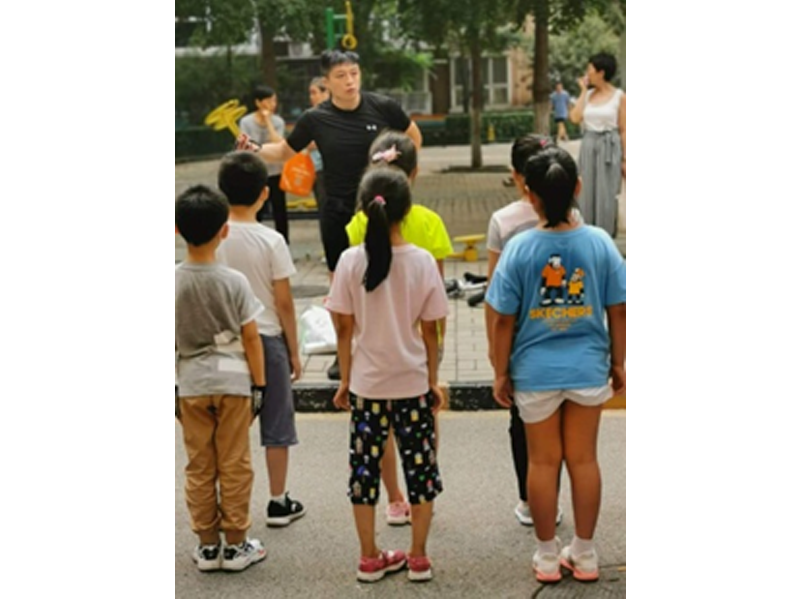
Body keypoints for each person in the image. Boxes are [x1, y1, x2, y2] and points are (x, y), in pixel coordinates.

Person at [236, 49, 422, 381]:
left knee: (386, 275)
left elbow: (413, 138)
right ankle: (343, 353)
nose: (350, 81)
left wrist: (402, 182)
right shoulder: (315, 119)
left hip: (380, 207)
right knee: (341, 284)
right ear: (327, 82)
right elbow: (285, 151)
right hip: (337, 210)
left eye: (354, 73)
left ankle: (390, 349)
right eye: (341, 76)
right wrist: (255, 149)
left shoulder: (383, 107)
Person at [486, 147, 625, 584]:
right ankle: (584, 552)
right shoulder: (600, 243)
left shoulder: (519, 249)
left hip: (535, 372)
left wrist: (500, 371)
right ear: (578, 186)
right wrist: (620, 362)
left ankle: (547, 555)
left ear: (530, 195)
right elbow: (619, 309)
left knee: (543, 463)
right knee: (584, 459)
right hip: (587, 368)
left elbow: (502, 318)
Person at [325, 166, 449, 583]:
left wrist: (345, 380)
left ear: (363, 211)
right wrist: (432, 380)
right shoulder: (422, 262)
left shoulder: (349, 261)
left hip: (367, 386)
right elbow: (430, 330)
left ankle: (369, 557)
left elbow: (343, 328)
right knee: (421, 470)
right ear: (406, 210)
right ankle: (418, 557)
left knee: (364, 471)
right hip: (412, 384)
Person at [346, 130, 452, 527]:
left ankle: (394, 499)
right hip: (420, 343)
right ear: (414, 174)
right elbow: (435, 297)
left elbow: (349, 293)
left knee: (379, 428)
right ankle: (423, 490)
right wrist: (436, 349)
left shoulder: (359, 223)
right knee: (423, 417)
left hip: (371, 346)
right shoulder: (430, 222)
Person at [484, 134, 578, 528]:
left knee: (525, 427)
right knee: (570, 436)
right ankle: (556, 505)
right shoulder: (576, 220)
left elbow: (495, 296)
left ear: (518, 177)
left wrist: (496, 358)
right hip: (568, 333)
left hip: (523, 341)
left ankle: (531, 501)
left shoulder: (503, 221)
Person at [175, 185, 268, 572]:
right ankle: (236, 543)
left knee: (200, 465)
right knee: (234, 463)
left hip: (191, 383)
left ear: (176, 229)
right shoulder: (235, 281)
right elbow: (251, 337)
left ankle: (207, 545)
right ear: (224, 230)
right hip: (233, 383)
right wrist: (260, 385)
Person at [215, 151, 307, 528]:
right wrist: (295, 351)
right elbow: (284, 302)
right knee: (277, 422)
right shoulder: (272, 241)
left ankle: (227, 502)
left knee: (229, 426)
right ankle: (278, 500)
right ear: (265, 194)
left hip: (224, 343)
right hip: (268, 339)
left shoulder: (214, 236)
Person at [569, 52, 626, 237]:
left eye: (590, 70)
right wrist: (583, 91)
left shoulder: (619, 96)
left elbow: (624, 129)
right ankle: (585, 235)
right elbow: (575, 118)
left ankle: (605, 237)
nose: (587, 74)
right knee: (585, 193)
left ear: (601, 72)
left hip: (610, 148)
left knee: (606, 194)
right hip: (589, 145)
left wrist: (625, 159)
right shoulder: (587, 95)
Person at [238, 85, 290, 244]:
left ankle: (284, 242)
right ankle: (254, 241)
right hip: (255, 172)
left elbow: (278, 143)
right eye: (269, 101)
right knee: (256, 208)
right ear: (258, 103)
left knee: (279, 209)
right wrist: (266, 150)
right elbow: (246, 146)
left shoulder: (278, 121)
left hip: (275, 171)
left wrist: (268, 121)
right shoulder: (246, 122)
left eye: (274, 101)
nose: (273, 104)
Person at [307, 76, 330, 229]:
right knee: (323, 208)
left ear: (326, 92)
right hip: (316, 168)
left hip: (335, 167)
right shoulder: (310, 115)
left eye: (314, 92)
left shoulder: (337, 113)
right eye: (310, 93)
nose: (312, 97)